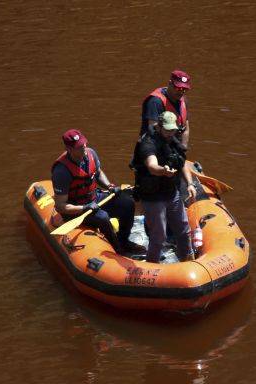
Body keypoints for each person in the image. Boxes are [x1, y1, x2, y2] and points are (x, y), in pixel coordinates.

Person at [52, 129, 145, 255]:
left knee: (128, 204)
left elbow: (98, 173)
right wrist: (84, 208)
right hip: (77, 209)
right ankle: (117, 249)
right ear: (69, 149)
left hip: (94, 198)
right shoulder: (61, 171)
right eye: (79, 146)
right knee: (103, 217)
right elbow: (61, 206)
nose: (84, 147)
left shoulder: (91, 154)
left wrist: (109, 186)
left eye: (84, 143)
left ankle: (123, 241)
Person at [131, 112, 197, 263]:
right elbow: (152, 166)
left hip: (171, 193)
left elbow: (182, 163)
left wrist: (190, 184)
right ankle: (152, 264)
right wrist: (163, 171)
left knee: (183, 229)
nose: (170, 133)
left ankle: (187, 259)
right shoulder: (148, 143)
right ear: (159, 126)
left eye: (172, 130)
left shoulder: (172, 140)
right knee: (159, 235)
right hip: (153, 196)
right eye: (167, 130)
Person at [140, 69, 191, 149]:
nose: (181, 92)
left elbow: (185, 129)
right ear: (170, 83)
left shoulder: (183, 100)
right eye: (178, 88)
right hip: (153, 148)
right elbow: (153, 129)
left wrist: (183, 148)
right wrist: (177, 144)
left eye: (184, 89)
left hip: (174, 148)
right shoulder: (155, 102)